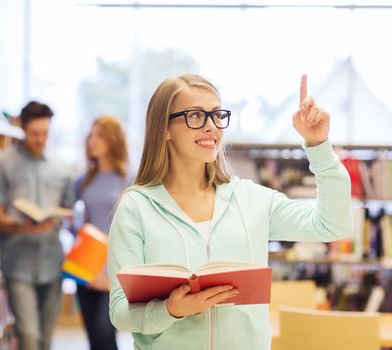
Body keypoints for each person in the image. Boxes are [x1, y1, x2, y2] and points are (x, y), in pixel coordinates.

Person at [107, 74, 353, 349]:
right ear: (164, 129)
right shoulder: (136, 207)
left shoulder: (251, 199)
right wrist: (171, 309)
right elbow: (120, 312)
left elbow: (333, 224)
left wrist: (319, 146)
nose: (211, 126)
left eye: (216, 115)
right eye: (196, 116)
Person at [0, 101, 74, 350]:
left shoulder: (63, 169)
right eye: (35, 133)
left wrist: (56, 217)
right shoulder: (2, 164)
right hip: (18, 263)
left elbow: (67, 211)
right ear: (22, 128)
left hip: (52, 260)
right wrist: (22, 226)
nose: (40, 139)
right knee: (28, 335)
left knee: (45, 339)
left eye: (45, 133)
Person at [72, 115, 131, 350]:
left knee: (105, 334)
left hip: (113, 268)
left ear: (113, 139)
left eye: (99, 135)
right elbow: (74, 222)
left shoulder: (129, 179)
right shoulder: (82, 181)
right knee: (94, 339)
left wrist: (108, 271)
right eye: (91, 135)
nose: (92, 140)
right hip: (86, 266)